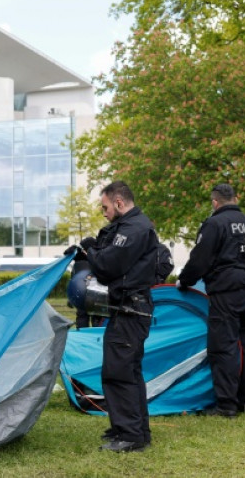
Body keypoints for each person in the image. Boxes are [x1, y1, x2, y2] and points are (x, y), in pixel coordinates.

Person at [67, 181, 160, 452]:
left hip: (130, 310)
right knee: (128, 372)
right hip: (128, 309)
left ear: (119, 202)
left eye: (105, 207)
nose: (103, 212)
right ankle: (134, 430)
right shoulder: (132, 226)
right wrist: (87, 253)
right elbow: (111, 257)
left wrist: (91, 251)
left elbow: (108, 265)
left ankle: (130, 435)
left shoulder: (134, 228)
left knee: (118, 373)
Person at [176, 183, 245, 418]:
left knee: (223, 346)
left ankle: (226, 405)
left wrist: (185, 281)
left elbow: (200, 259)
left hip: (225, 291)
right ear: (235, 199)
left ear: (215, 202)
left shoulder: (214, 224)